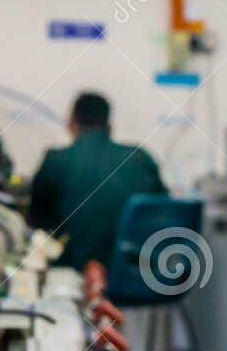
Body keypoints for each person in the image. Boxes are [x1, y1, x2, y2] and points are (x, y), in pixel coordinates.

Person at [27, 92, 166, 271]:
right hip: (134, 271)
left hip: (72, 270)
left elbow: (38, 223)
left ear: (72, 124)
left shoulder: (55, 160)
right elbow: (164, 212)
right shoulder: (140, 158)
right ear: (109, 126)